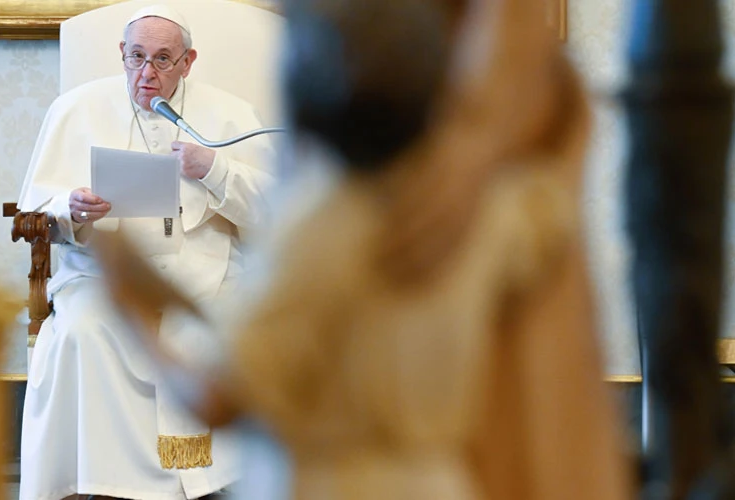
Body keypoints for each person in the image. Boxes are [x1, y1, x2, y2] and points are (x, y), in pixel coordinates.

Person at [94, 0, 634, 498]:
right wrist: (489, 140)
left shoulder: (318, 232)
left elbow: (220, 396)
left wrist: (133, 304)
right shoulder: (488, 216)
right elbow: (553, 191)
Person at [15, 4, 275, 499]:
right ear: (121, 54)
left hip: (206, 272)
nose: (146, 74)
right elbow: (34, 209)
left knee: (207, 333)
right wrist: (71, 208)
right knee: (85, 331)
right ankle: (100, 479)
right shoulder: (75, 109)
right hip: (102, 274)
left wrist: (215, 170)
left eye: (161, 59)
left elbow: (275, 212)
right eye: (136, 58)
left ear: (188, 61)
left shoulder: (231, 115)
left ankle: (204, 482)